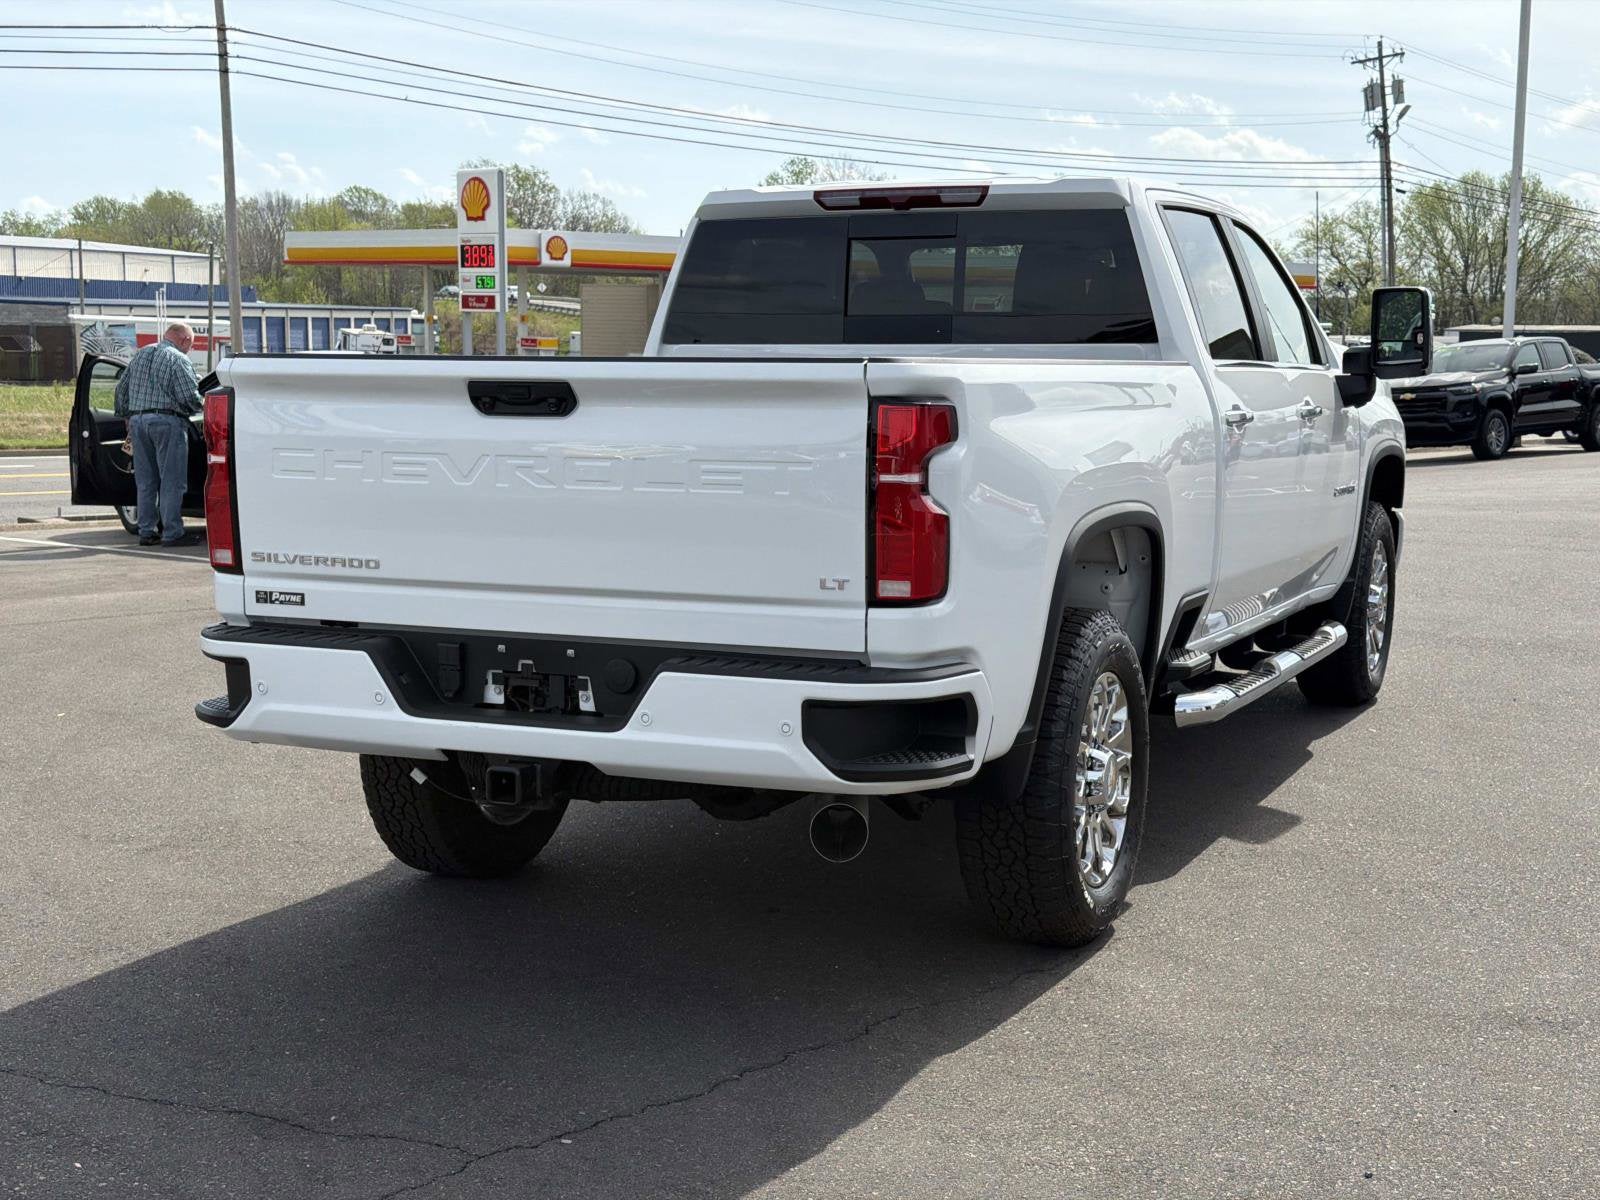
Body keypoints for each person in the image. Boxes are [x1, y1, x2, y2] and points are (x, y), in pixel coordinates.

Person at [113, 322, 204, 547]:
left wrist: (126, 416)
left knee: (145, 481)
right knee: (172, 481)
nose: (190, 349)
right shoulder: (178, 359)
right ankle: (172, 533)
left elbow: (121, 389)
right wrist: (205, 407)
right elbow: (189, 396)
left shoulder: (141, 354)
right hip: (167, 422)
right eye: (191, 345)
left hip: (138, 422)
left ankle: (147, 531)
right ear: (184, 340)